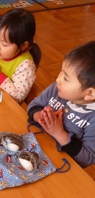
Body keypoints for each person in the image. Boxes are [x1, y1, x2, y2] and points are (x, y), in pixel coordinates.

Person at [27, 41, 95, 169]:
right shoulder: (56, 89)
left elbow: (88, 158)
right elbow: (34, 105)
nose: (58, 79)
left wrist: (59, 133)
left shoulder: (92, 119)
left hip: (62, 166)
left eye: (66, 78)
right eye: (61, 72)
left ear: (90, 93)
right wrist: (40, 117)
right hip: (35, 147)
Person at [0, 8, 41, 104]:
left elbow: (19, 96)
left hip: (6, 106)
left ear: (23, 45)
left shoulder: (25, 65)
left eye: (4, 44)